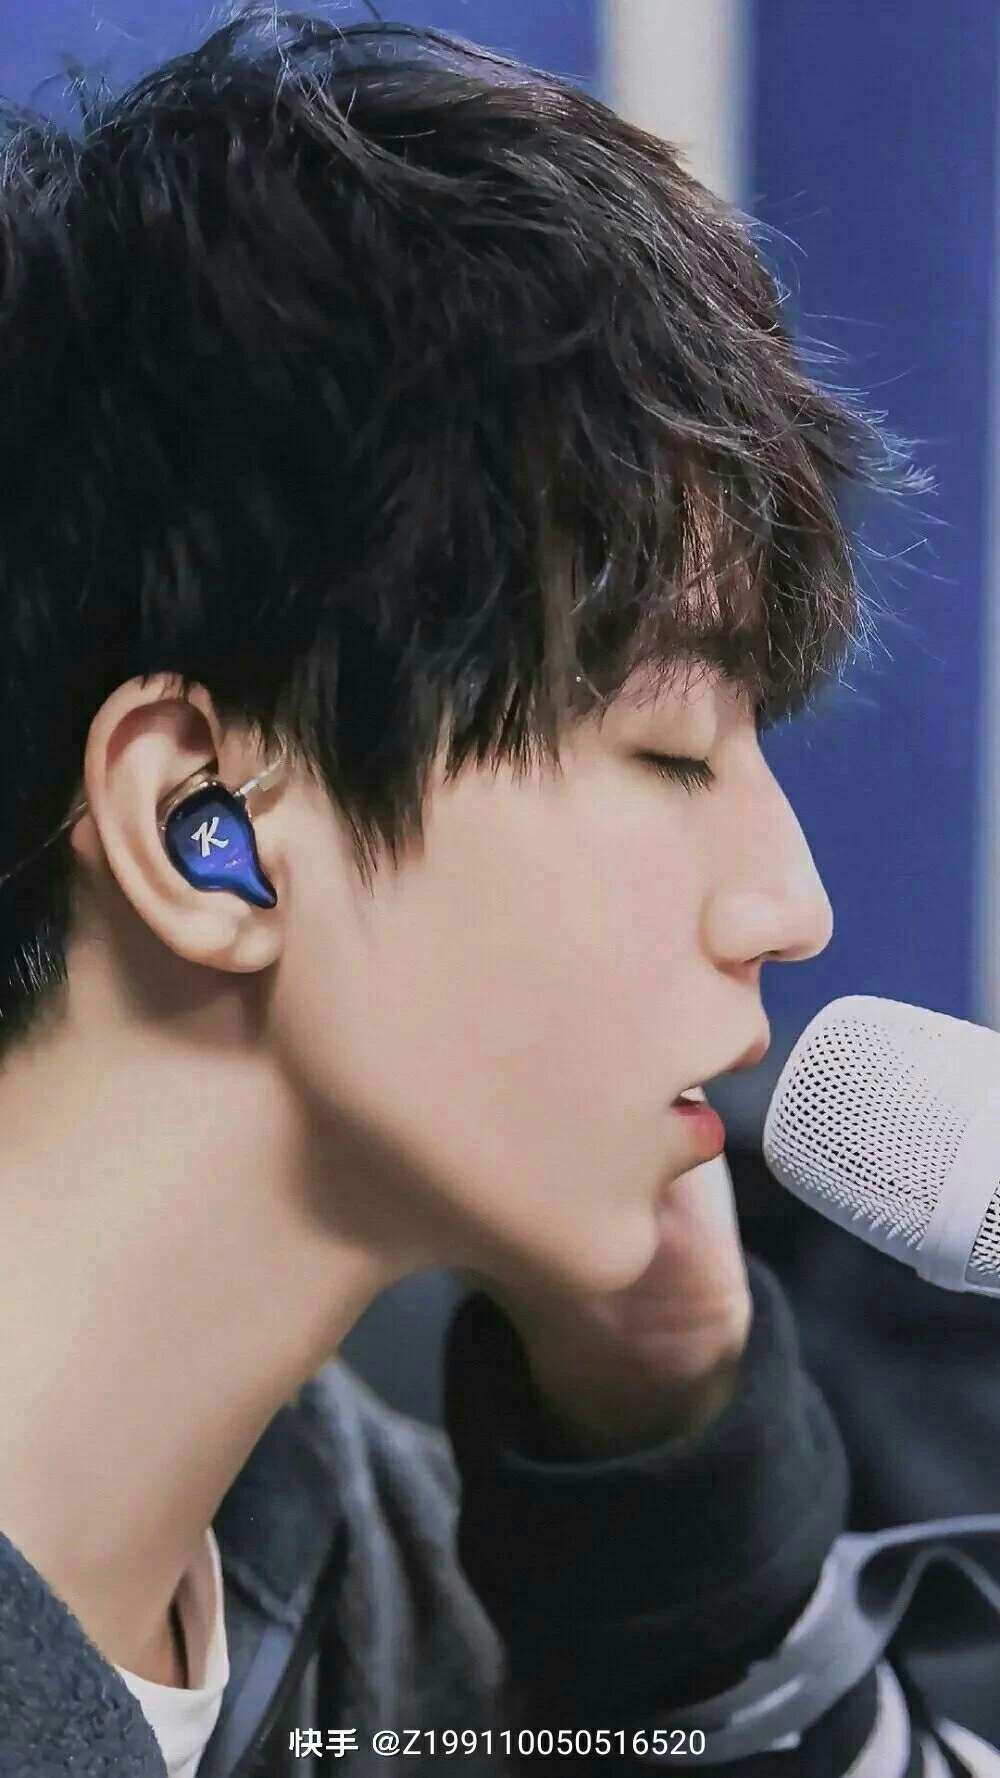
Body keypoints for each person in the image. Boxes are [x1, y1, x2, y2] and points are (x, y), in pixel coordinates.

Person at [0, 9, 995, 1776]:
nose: (790, 904)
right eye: (671, 753)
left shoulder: (407, 1624)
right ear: (201, 820)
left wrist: (689, 1512)